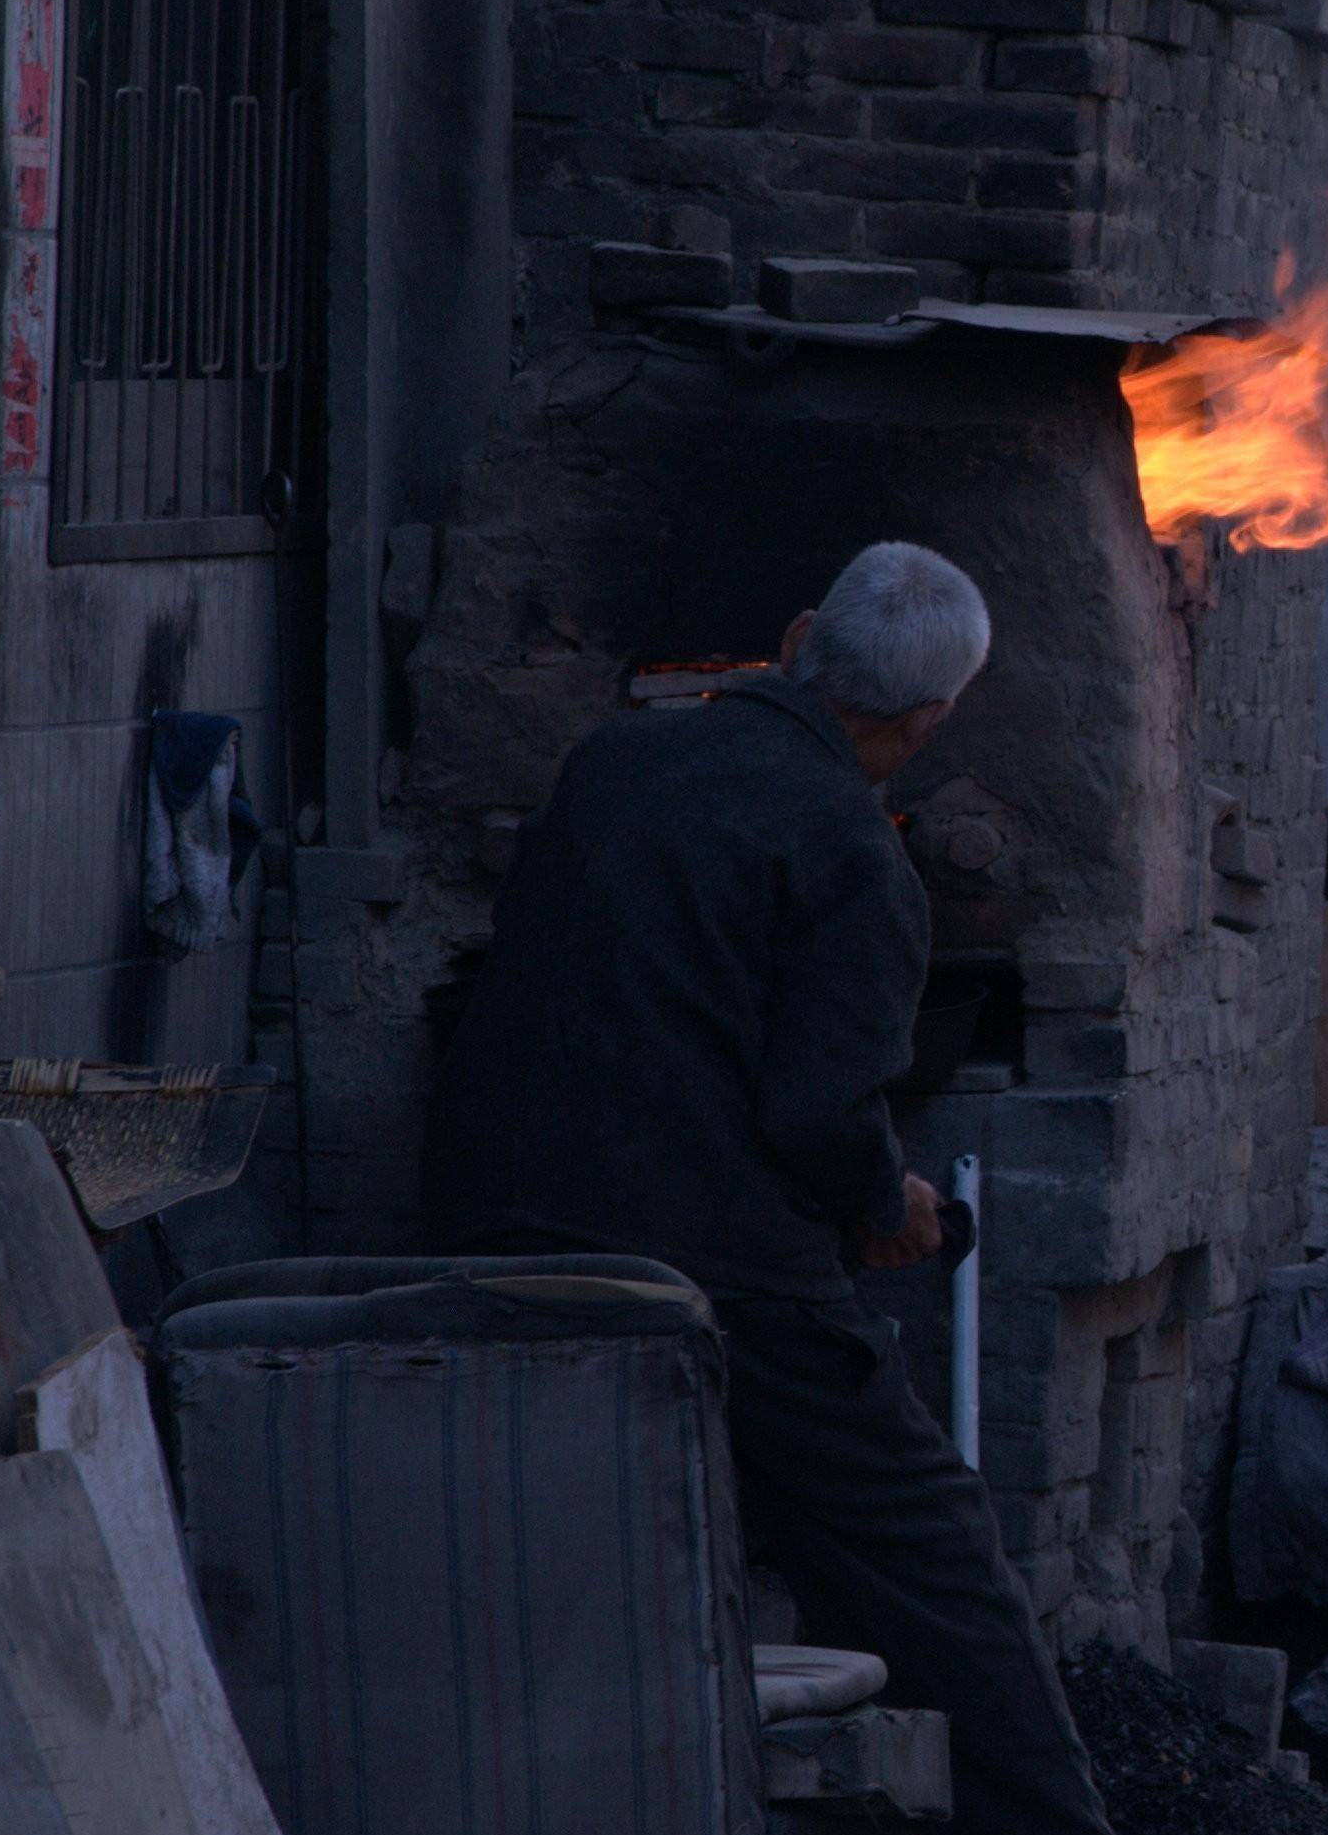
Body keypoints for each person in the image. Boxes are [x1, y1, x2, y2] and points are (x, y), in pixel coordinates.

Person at [429, 542, 1109, 1835]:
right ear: (929, 721)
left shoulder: (610, 761)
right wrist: (884, 1202)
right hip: (712, 1277)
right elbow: (813, 1117)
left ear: (801, 637)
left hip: (491, 1221)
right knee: (933, 1552)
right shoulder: (857, 852)